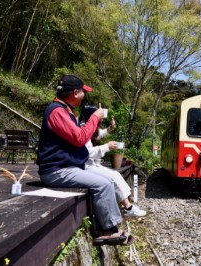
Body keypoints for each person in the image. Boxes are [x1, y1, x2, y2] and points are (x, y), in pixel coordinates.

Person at [36, 74, 133, 246]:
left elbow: (83, 137)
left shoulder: (65, 111)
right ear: (75, 93)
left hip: (68, 167)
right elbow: (80, 138)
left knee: (107, 180)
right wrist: (94, 117)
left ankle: (105, 225)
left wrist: (97, 123)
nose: (84, 95)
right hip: (57, 171)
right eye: (83, 92)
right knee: (103, 184)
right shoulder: (57, 111)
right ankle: (108, 231)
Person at [79, 105, 146, 217]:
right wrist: (106, 147)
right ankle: (128, 208)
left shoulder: (88, 127)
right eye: (98, 116)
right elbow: (87, 152)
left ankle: (128, 206)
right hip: (85, 166)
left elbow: (98, 134)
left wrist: (111, 127)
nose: (100, 119)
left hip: (92, 164)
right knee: (113, 177)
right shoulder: (82, 129)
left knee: (115, 174)